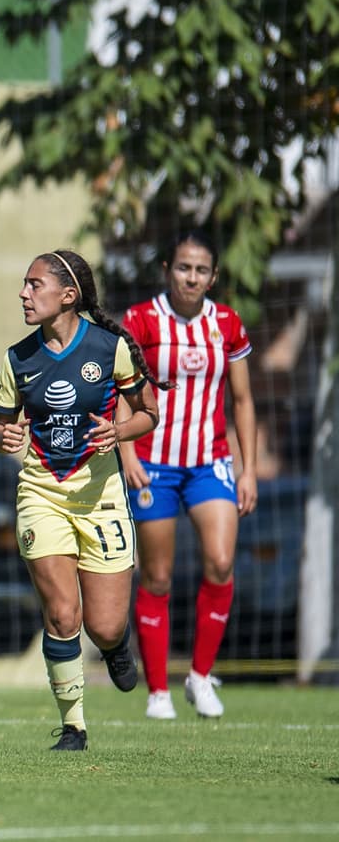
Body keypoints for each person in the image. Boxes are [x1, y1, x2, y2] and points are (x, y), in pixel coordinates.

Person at [0, 249, 161, 751]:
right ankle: (74, 726)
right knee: (63, 615)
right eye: (23, 284)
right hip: (41, 492)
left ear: (68, 295)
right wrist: (5, 437)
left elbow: (148, 412)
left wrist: (120, 430)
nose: (24, 292)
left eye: (34, 285)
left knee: (103, 625)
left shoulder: (110, 349)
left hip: (101, 494)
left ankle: (115, 645)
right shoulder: (16, 358)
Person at [119, 231, 257, 720]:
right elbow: (122, 390)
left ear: (213, 276)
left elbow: (242, 400)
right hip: (153, 463)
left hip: (209, 462)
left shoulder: (227, 324)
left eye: (201, 270)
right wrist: (128, 451)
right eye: (183, 268)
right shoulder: (140, 320)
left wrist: (248, 471)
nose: (192, 277)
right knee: (156, 575)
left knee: (220, 562)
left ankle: (200, 677)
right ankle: (158, 692)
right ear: (166, 269)